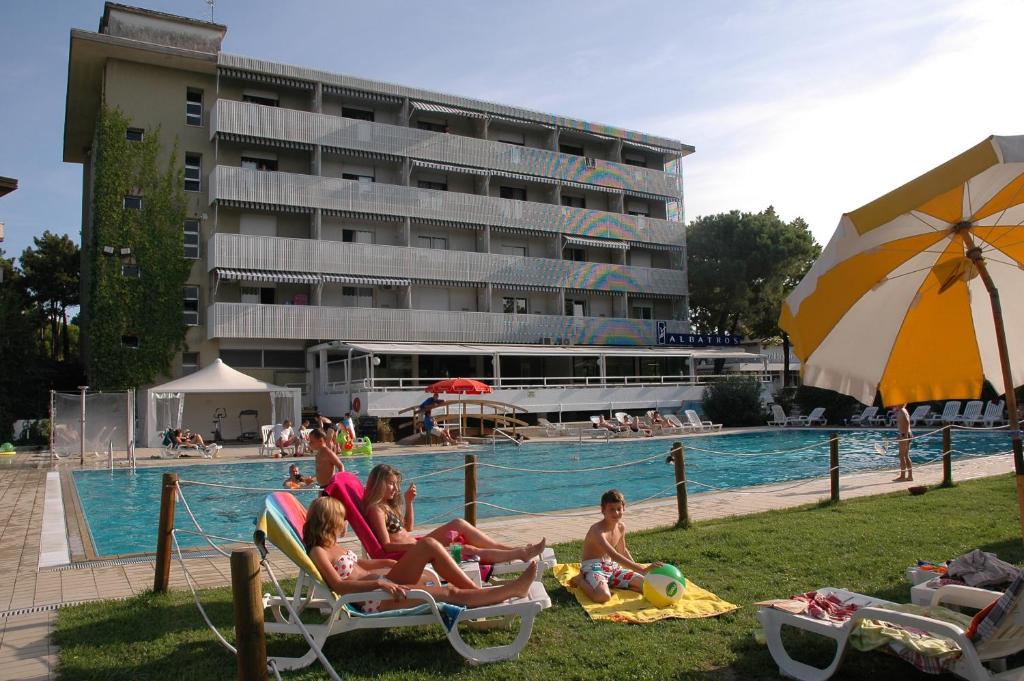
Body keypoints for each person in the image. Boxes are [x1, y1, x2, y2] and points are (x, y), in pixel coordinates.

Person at [304, 496, 537, 612]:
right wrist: (380, 583)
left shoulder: (333, 546)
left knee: (429, 546)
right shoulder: (318, 551)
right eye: (342, 518)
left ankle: (479, 594)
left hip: (387, 581)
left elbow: (362, 565)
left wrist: (386, 565)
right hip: (376, 597)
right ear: (330, 521)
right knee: (448, 590)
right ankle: (498, 593)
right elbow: (339, 586)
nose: (346, 522)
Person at [363, 463, 546, 564]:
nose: (395, 488)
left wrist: (409, 502)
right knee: (467, 550)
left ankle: (519, 551)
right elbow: (386, 546)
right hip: (412, 551)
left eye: (396, 483)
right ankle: (520, 553)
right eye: (391, 483)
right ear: (379, 484)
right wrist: (422, 547)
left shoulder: (385, 506)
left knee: (459, 524)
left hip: (417, 544)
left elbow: (408, 528)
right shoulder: (376, 510)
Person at [569, 489, 662, 603]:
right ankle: (581, 580)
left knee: (646, 585)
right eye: (611, 509)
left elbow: (622, 551)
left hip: (612, 567)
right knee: (603, 596)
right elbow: (615, 554)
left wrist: (637, 570)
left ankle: (611, 583)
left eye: (619, 509)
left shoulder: (621, 527)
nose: (616, 513)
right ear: (603, 510)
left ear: (624, 508)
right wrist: (642, 569)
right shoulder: (597, 530)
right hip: (594, 568)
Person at [894, 403, 913, 482]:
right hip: (906, 434)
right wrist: (901, 434)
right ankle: (909, 476)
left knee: (902, 456)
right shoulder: (903, 411)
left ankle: (903, 476)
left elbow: (907, 422)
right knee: (905, 455)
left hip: (905, 435)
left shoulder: (902, 411)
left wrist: (903, 435)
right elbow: (905, 425)